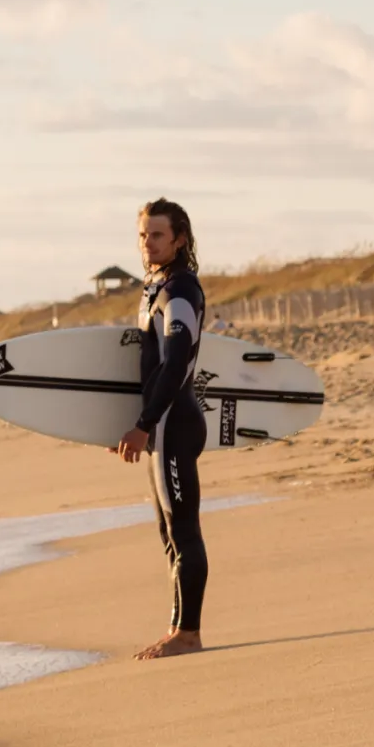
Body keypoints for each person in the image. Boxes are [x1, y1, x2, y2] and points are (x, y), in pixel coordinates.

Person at [112, 197, 208, 660]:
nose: (147, 243)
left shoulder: (181, 292)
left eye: (157, 235)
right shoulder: (156, 288)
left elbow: (172, 367)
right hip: (162, 426)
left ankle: (189, 634)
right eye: (142, 235)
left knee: (184, 531)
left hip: (174, 422)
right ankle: (177, 627)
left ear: (179, 240)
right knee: (168, 534)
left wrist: (144, 424)